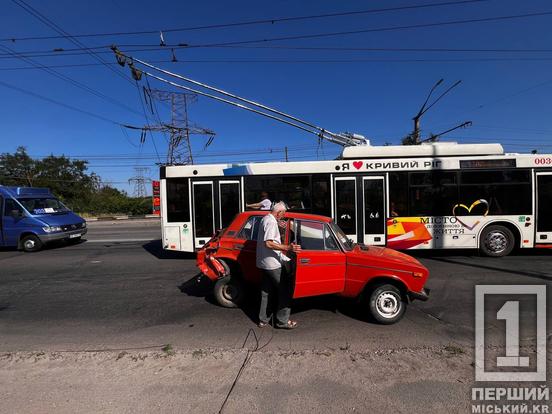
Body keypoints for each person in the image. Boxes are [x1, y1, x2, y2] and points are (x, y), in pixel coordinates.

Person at [256, 201, 301, 329]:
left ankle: (263, 320)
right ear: (279, 212)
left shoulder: (265, 218)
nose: (283, 216)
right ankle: (282, 321)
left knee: (266, 292)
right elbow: (268, 243)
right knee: (285, 291)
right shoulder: (271, 222)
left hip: (263, 262)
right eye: (283, 213)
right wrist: (288, 247)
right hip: (272, 264)